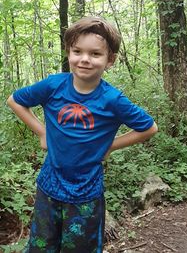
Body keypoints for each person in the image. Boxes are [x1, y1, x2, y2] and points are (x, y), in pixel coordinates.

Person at [7, 16, 158, 253]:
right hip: (49, 186)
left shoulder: (112, 100)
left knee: (80, 248)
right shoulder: (53, 86)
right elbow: (14, 100)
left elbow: (149, 128)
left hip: (86, 193)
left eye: (95, 54)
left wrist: (111, 146)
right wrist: (43, 131)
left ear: (110, 60)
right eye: (77, 51)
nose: (84, 59)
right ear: (69, 53)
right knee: (40, 246)